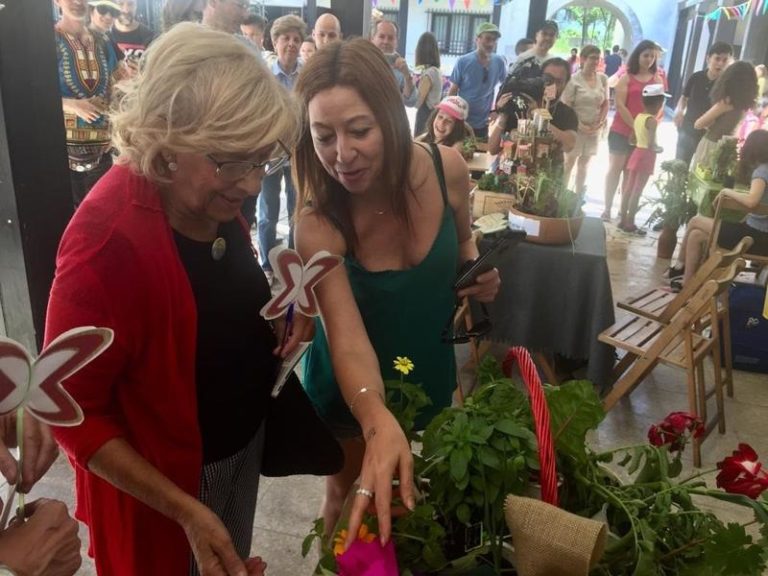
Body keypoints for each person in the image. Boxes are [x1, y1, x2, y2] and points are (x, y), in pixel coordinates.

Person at [45, 24, 304, 575]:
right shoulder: (107, 239)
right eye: (233, 160)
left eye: (262, 159)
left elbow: (210, 300)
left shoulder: (207, 196)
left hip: (234, 453)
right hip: (165, 492)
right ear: (167, 143)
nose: (252, 183)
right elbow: (71, 413)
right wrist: (185, 511)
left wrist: (275, 321)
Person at [293, 38, 500, 543]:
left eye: (359, 130)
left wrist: (476, 272)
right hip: (351, 389)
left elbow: (465, 241)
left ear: (390, 116)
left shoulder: (447, 169)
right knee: (349, 501)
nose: (342, 155)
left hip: (426, 370)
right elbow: (345, 338)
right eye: (323, 137)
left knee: (413, 507)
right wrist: (373, 415)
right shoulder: (318, 222)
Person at [670, 129, 768, 290]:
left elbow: (752, 201)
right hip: (760, 237)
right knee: (696, 235)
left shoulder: (762, 171)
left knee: (695, 221)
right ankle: (687, 284)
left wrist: (726, 191)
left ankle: (678, 267)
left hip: (754, 237)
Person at [55, 0, 121, 207]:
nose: (77, 2)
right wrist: (72, 104)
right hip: (64, 153)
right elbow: (32, 92)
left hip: (104, 147)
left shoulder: (102, 41)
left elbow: (114, 87)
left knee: (103, 208)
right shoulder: (48, 41)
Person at [256, 14, 305, 277]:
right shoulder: (264, 75)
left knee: (297, 212)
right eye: (286, 38)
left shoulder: (307, 75)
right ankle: (267, 264)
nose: (291, 44)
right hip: (271, 153)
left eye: (296, 39)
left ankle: (293, 263)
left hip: (298, 153)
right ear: (275, 42)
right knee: (268, 213)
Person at [602, 40, 664, 221]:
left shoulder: (657, 80)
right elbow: (620, 105)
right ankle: (607, 208)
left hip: (642, 135)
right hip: (621, 129)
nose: (649, 59)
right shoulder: (627, 77)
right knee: (615, 169)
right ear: (638, 56)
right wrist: (634, 126)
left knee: (631, 173)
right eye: (646, 55)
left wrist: (646, 128)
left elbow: (659, 107)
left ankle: (624, 211)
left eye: (652, 56)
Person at [490, 57, 578, 172]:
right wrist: (504, 114)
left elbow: (569, 145)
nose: (552, 85)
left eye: (558, 81)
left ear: (566, 84)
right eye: (547, 79)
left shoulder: (566, 113)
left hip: (546, 177)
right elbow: (492, 149)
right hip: (509, 173)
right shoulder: (520, 105)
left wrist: (538, 115)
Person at [690, 61, 758, 171]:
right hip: (729, 148)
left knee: (699, 178)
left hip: (711, 145)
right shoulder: (746, 104)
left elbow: (698, 124)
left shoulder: (727, 102)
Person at [674, 42, 733, 166]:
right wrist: (679, 111)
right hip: (687, 129)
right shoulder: (696, 77)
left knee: (700, 170)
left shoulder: (727, 86)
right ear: (708, 58)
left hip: (709, 135)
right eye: (717, 59)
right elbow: (684, 97)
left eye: (725, 60)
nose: (720, 63)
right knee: (679, 166)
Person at [618, 84, 666, 234]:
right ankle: (630, 222)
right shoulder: (652, 120)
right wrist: (659, 148)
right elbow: (652, 144)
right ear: (659, 103)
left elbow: (631, 139)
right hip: (646, 155)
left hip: (636, 152)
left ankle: (623, 219)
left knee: (628, 188)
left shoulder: (638, 117)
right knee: (637, 190)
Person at [561, 44, 609, 195]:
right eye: (592, 58)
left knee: (585, 164)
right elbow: (567, 106)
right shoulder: (573, 80)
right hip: (575, 128)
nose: (595, 62)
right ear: (582, 59)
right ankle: (561, 196)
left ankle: (578, 196)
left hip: (594, 129)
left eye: (598, 58)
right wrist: (580, 126)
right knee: (569, 163)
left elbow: (606, 103)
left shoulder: (603, 78)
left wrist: (600, 122)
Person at [448, 22, 506, 139]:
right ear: (477, 39)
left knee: (480, 149)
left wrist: (497, 110)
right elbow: (453, 90)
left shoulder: (499, 62)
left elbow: (504, 86)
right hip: (461, 120)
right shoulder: (463, 61)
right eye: (487, 38)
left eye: (494, 40)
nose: (491, 43)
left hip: (483, 123)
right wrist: (450, 115)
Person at [370, 20, 417, 107]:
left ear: (396, 43)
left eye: (391, 38)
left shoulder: (401, 69)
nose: (386, 41)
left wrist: (407, 76)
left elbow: (411, 101)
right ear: (372, 39)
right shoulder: (362, 62)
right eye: (381, 36)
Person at [413, 32, 443, 137]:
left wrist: (412, 85)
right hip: (433, 115)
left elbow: (417, 102)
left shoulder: (429, 73)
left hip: (425, 117)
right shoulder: (436, 71)